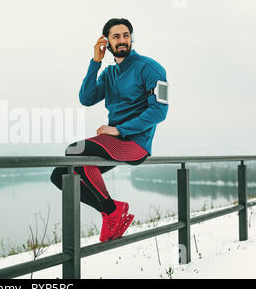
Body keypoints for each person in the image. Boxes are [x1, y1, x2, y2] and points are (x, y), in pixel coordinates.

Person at [50, 18, 169, 242]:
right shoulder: (109, 74)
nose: (122, 40)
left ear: (131, 38)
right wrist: (95, 62)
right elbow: (86, 98)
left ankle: (111, 210)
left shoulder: (151, 68)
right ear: (107, 42)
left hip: (135, 144)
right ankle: (111, 209)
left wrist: (119, 129)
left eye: (126, 35)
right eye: (116, 36)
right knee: (60, 176)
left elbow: (159, 112)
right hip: (113, 145)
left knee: (75, 152)